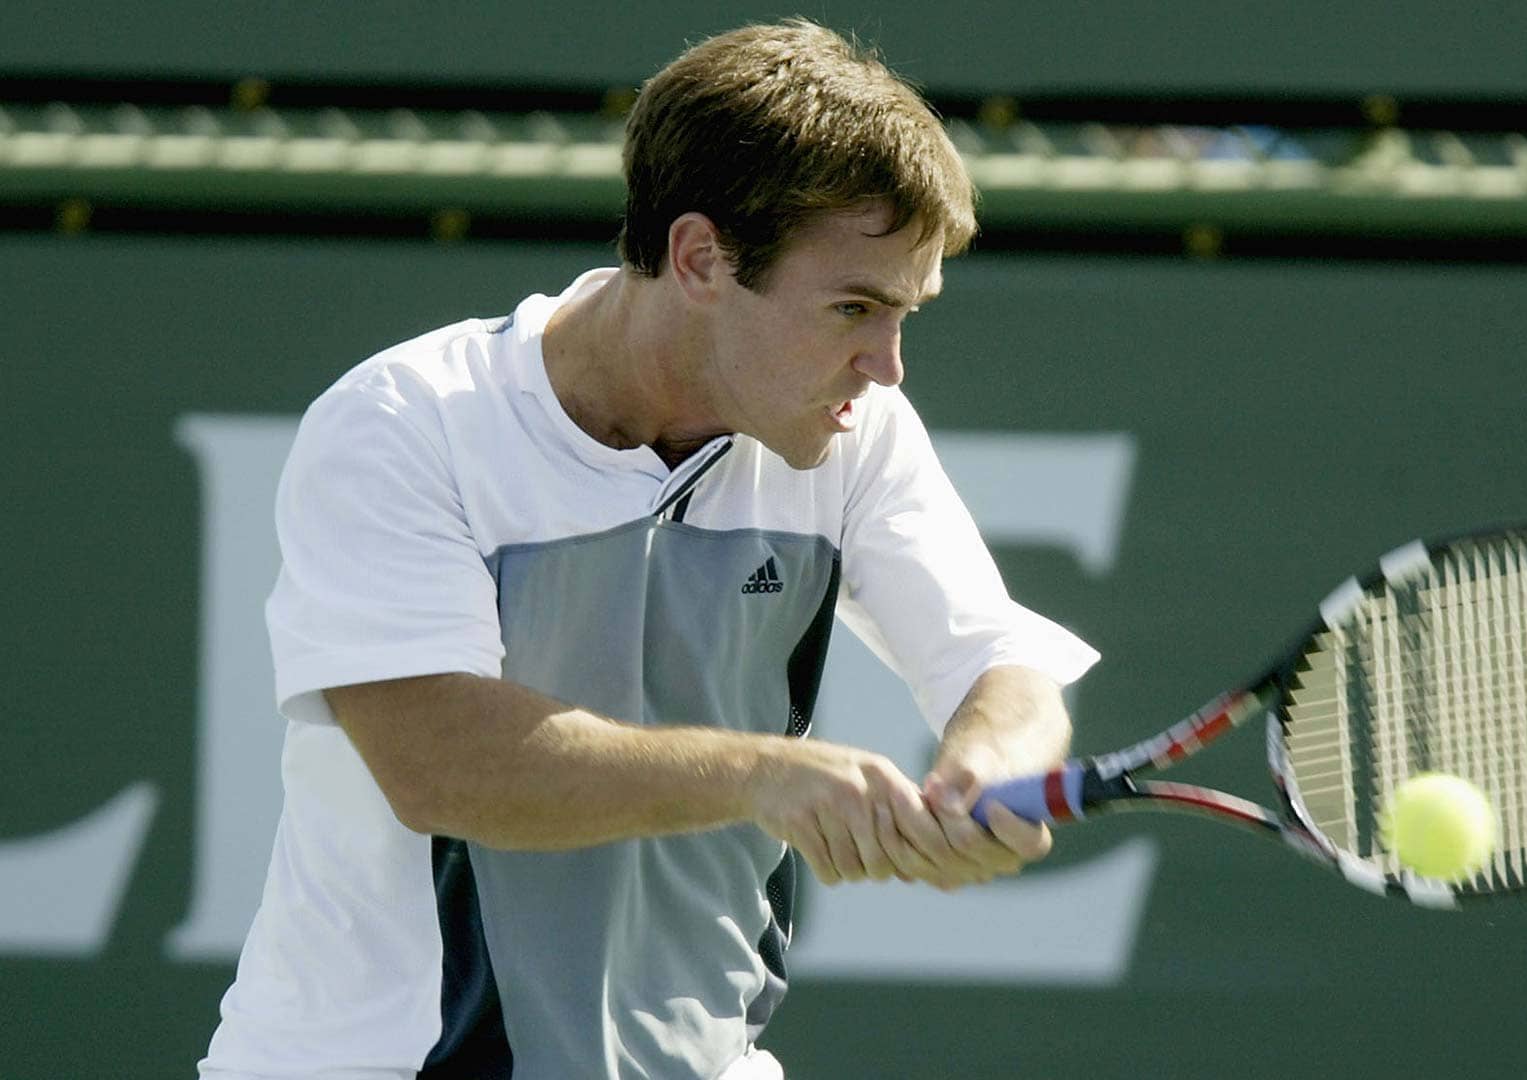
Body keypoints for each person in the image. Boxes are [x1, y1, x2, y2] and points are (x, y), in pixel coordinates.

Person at [198, 19, 1097, 1080]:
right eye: (853, 307)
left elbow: (999, 663)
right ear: (701, 257)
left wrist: (986, 770)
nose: (886, 364)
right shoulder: (406, 422)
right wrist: (765, 776)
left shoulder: (854, 433)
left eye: (905, 313)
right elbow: (440, 763)